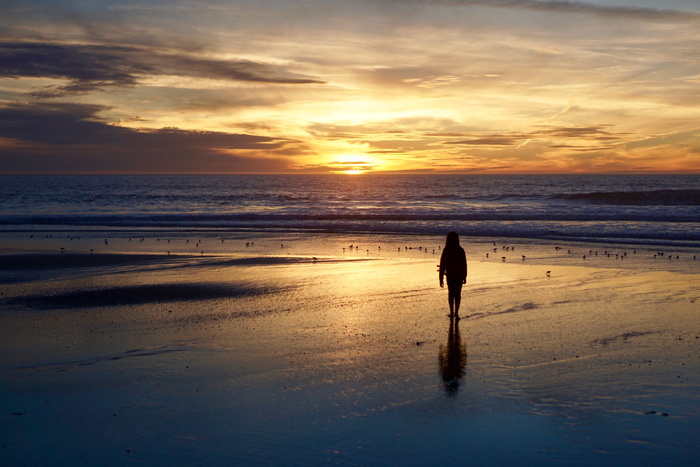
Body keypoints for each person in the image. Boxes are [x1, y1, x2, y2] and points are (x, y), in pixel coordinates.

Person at [439, 231, 467, 319]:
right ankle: (457, 313)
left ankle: (452, 312)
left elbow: (442, 264)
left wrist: (441, 278)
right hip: (459, 275)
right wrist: (465, 276)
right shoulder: (460, 250)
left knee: (451, 294)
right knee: (458, 294)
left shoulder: (446, 250)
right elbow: (464, 264)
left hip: (450, 275)